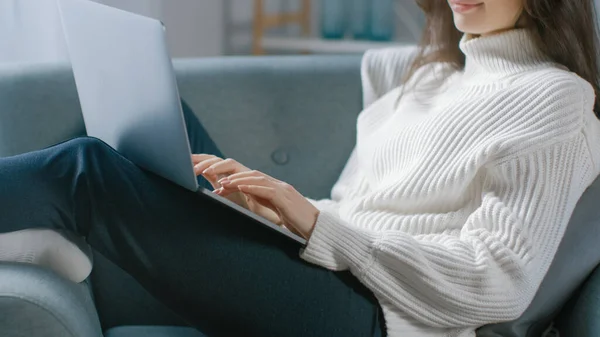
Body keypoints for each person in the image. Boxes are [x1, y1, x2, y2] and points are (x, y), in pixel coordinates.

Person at [2, 0, 600, 336]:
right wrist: (271, 214)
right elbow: (356, 206)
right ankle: (39, 231)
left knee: (87, 170)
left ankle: (41, 223)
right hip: (330, 269)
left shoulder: (555, 99)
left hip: (383, 319)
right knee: (143, 128)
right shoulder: (431, 76)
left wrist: (316, 225)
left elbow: (498, 281)